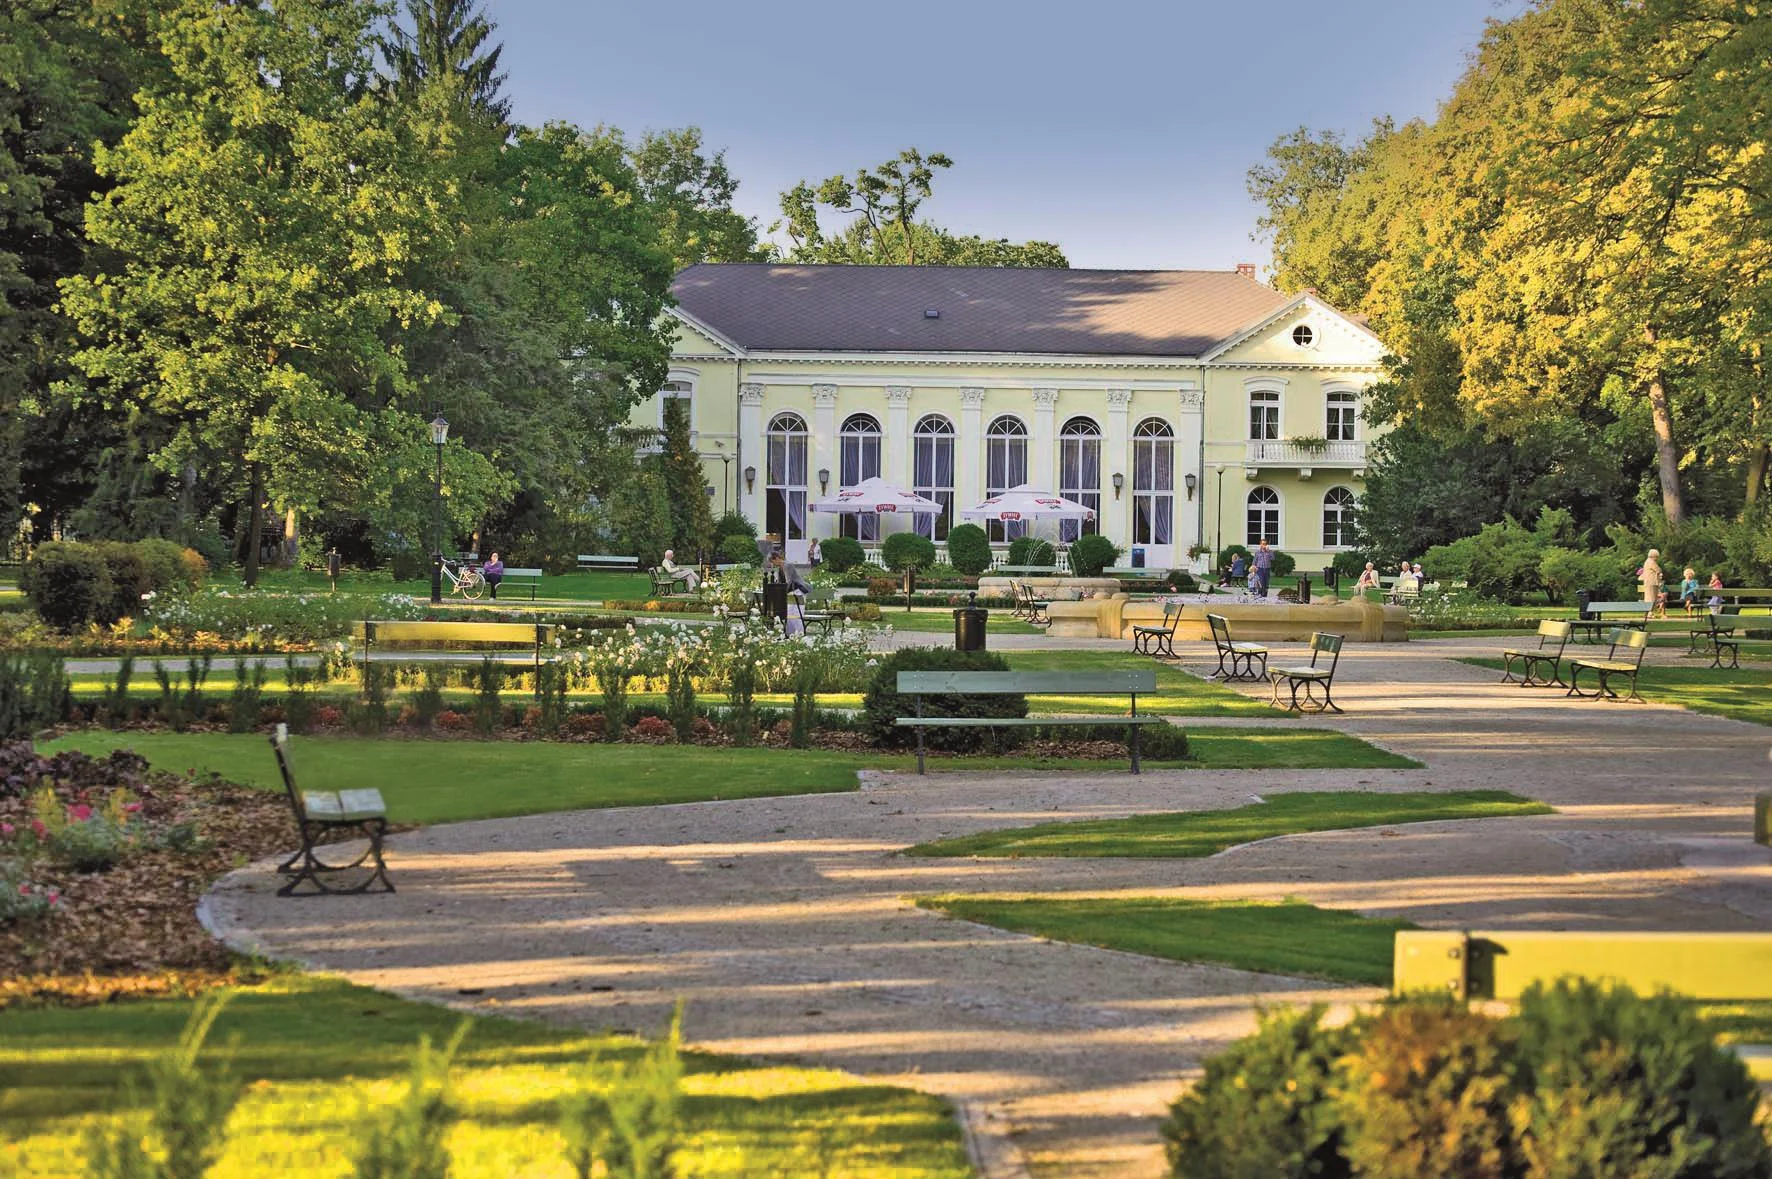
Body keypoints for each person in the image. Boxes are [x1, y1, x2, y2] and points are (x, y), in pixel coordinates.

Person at [1639, 548, 1664, 617]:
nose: (1657, 558)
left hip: (1650, 582)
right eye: (1656, 556)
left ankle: (1650, 612)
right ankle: (1650, 613)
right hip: (1651, 582)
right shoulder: (1651, 562)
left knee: (1651, 597)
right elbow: (1658, 569)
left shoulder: (1648, 561)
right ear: (1654, 556)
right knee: (1651, 597)